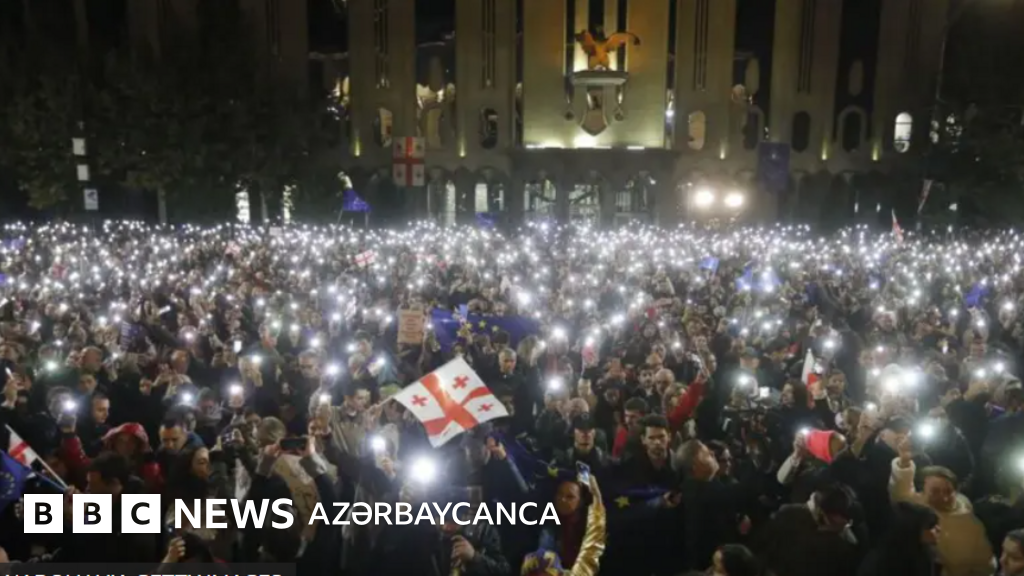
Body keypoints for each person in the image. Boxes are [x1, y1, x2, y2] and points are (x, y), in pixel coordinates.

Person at [890, 437, 994, 576]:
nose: (944, 498)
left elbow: (984, 565)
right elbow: (901, 491)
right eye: (935, 492)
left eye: (948, 491)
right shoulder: (916, 511)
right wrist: (904, 462)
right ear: (922, 491)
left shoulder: (971, 522)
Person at [857, 501, 941, 576]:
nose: (938, 529)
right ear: (914, 529)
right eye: (931, 526)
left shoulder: (926, 554)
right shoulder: (882, 559)